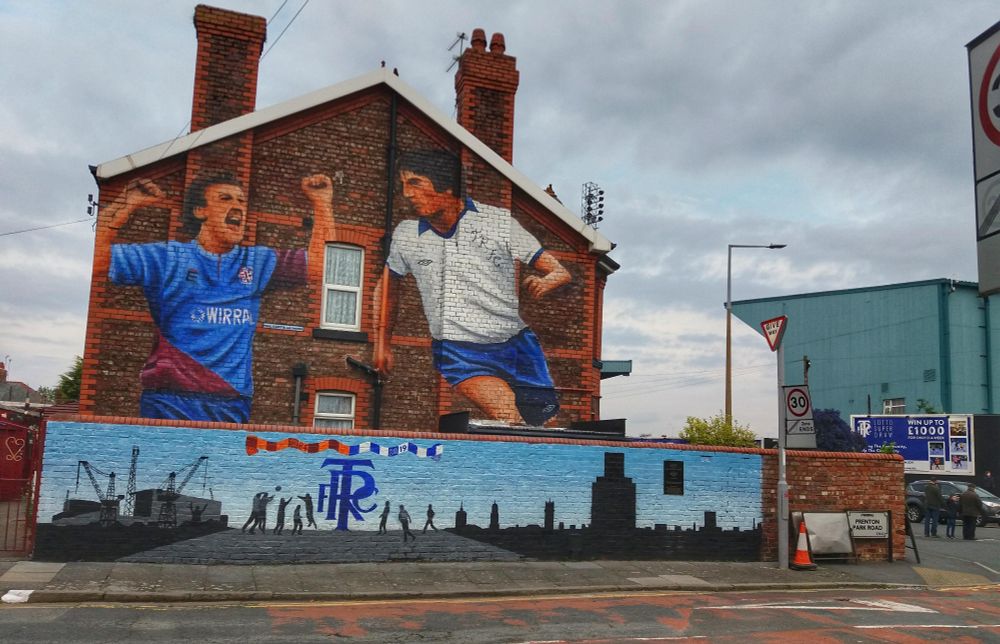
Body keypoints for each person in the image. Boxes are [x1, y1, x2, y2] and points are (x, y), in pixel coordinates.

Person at [95, 172, 336, 422]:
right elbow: (100, 258)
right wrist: (127, 203)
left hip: (231, 401)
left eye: (242, 201)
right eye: (225, 198)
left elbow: (319, 265)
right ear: (200, 210)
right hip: (169, 398)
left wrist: (321, 203)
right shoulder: (167, 257)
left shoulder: (257, 261)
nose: (238, 207)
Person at [377, 149, 571, 426]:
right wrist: (383, 343)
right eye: (403, 185)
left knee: (545, 426)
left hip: (518, 347)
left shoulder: (497, 221)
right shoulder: (406, 234)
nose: (407, 193)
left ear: (445, 185)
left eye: (415, 183)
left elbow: (558, 270)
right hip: (459, 352)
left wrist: (547, 281)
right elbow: (388, 286)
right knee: (511, 419)